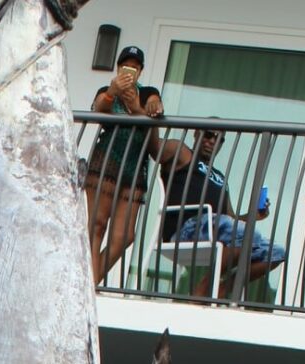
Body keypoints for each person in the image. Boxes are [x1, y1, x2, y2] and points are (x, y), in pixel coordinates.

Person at [159, 125, 286, 297]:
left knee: (276, 253)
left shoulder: (220, 177)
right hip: (185, 227)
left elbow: (231, 218)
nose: (212, 141)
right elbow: (153, 147)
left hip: (215, 225)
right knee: (244, 233)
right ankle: (204, 288)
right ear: (196, 134)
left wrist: (253, 215)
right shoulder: (182, 153)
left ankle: (222, 288)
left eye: (218, 139)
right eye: (208, 135)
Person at [85, 45, 165, 284]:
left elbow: (155, 105)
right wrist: (113, 91)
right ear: (119, 68)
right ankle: (90, 286)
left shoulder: (148, 91)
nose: (130, 70)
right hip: (106, 163)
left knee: (124, 236)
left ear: (140, 71)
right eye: (125, 66)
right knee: (97, 225)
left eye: (135, 67)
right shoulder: (107, 90)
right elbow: (100, 107)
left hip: (134, 168)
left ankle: (89, 283)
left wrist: (140, 108)